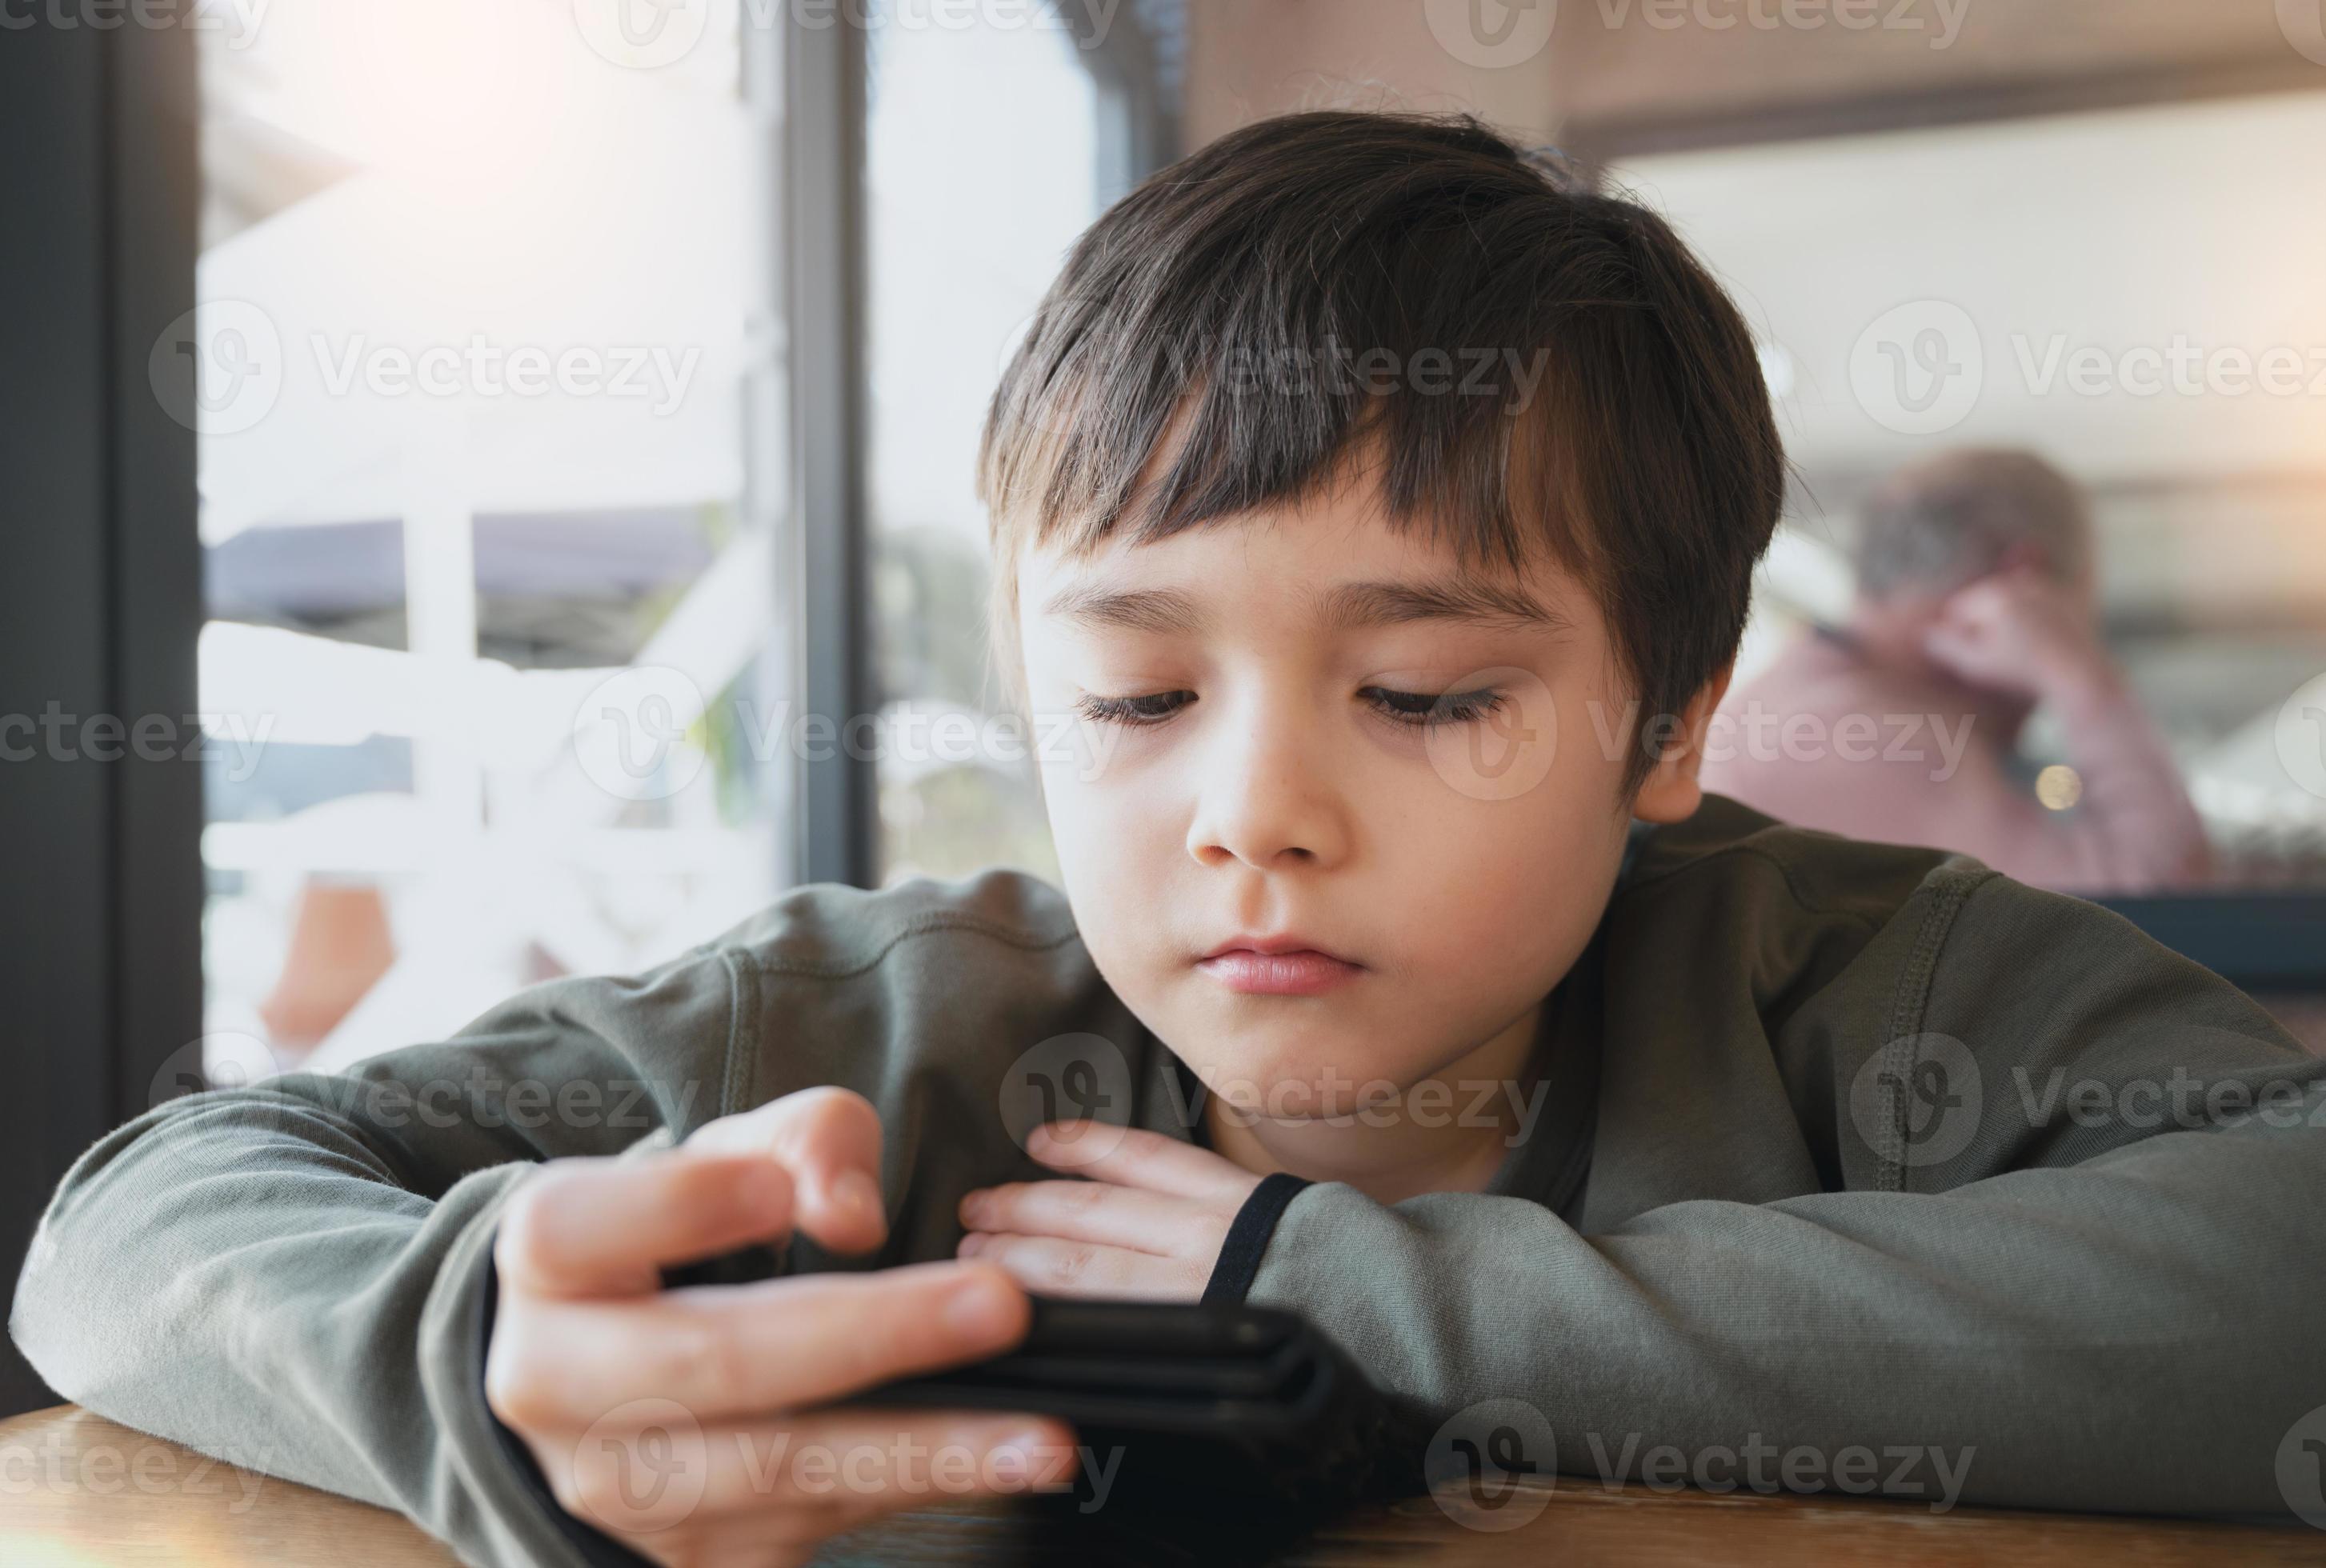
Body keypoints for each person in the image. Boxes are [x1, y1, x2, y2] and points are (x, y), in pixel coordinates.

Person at [13, 114, 2324, 1568]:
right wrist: (474, 1342)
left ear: (1669, 720)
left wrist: (1304, 1281)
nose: (1250, 818)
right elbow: (139, 1216)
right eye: (1130, 696)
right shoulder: (871, 1015)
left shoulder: (1855, 984)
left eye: (1427, 696)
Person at [1703, 448, 2212, 892]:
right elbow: (2167, 908)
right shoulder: (1878, 741)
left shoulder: (1819, 697)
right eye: (2079, 617)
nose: (2083, 636)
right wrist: (2078, 674)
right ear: (2022, 582)